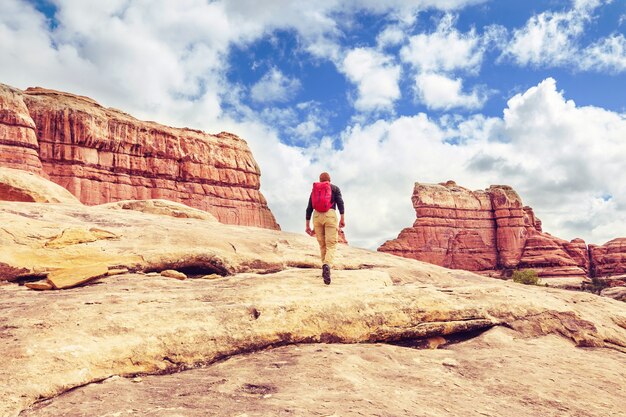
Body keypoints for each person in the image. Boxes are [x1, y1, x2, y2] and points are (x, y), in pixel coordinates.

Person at [305, 172, 345, 285]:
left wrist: (307, 225)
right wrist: (342, 218)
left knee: (322, 244)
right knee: (331, 244)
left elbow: (309, 208)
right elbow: (340, 203)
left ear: (319, 180)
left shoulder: (314, 190)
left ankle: (324, 267)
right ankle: (327, 265)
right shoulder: (335, 188)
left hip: (316, 216)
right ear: (329, 180)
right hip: (330, 214)